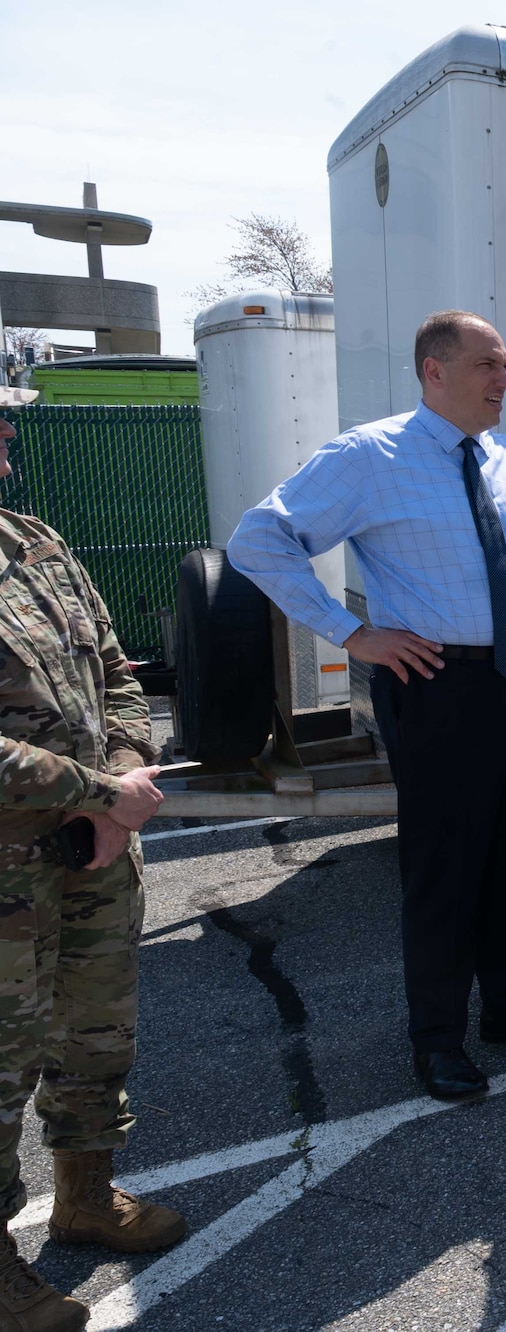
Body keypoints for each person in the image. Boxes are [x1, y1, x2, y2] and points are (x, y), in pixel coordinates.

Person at [229, 311, 506, 1102]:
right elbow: (259, 539)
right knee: (444, 870)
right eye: (489, 366)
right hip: (439, 686)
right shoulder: (369, 456)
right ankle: (436, 1040)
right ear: (436, 370)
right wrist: (352, 633)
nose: (505, 381)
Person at [0, 385, 182, 1332]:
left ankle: (83, 1196)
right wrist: (99, 794)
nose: (6, 432)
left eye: (3, 417)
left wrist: (125, 773)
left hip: (93, 844)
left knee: (94, 1033)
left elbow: (116, 668)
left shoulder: (32, 540)